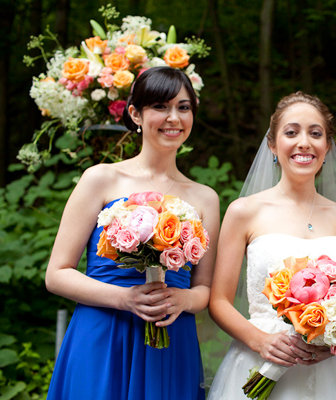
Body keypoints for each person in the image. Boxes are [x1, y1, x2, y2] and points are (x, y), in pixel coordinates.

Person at [45, 66, 220, 400]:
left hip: (171, 338)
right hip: (104, 331)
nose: (174, 118)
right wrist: (124, 298)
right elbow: (57, 274)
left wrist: (182, 299)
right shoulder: (100, 179)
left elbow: (205, 289)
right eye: (160, 107)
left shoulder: (204, 198)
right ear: (135, 114)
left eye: (183, 108)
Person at [207, 92, 336, 399]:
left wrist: (335, 342)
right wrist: (260, 341)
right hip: (261, 360)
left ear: (327, 147)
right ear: (272, 145)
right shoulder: (243, 212)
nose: (304, 142)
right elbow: (219, 301)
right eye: (291, 132)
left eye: (316, 134)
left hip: (331, 374)